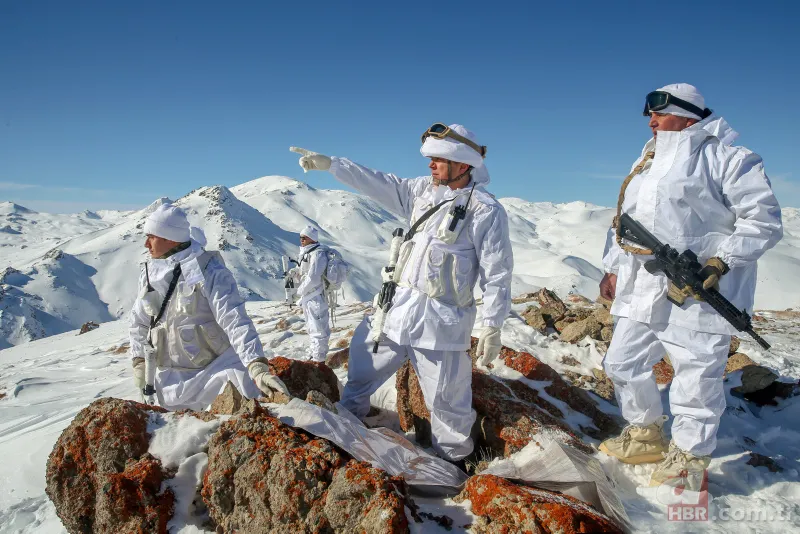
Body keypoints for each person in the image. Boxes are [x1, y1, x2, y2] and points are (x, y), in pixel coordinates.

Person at [290, 123, 513, 463]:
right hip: (395, 313)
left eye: (438, 159)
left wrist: (492, 325)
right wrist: (333, 165)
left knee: (447, 404)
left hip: (441, 326)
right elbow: (378, 182)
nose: (430, 165)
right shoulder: (420, 191)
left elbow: (497, 272)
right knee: (361, 372)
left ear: (462, 164)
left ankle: (454, 466)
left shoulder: (485, 210)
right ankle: (347, 435)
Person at [598, 84, 783, 487]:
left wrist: (722, 261)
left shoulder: (728, 159)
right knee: (622, 362)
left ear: (687, 116)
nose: (651, 122)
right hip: (640, 286)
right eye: (650, 115)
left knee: (695, 376)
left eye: (659, 114)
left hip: (698, 291)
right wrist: (612, 268)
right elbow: (624, 220)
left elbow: (763, 220)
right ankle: (645, 434)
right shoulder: (646, 160)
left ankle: (689, 459)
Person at [129, 203, 289, 411]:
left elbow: (234, 319)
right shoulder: (149, 274)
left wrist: (256, 365)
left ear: (170, 238)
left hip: (217, 373)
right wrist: (139, 360)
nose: (146, 244)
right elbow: (140, 321)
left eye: (151, 237)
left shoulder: (209, 270)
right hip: (168, 382)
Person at [295, 225, 331, 362]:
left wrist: (300, 290)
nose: (302, 239)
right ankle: (315, 353)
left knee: (318, 328)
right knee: (312, 326)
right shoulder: (308, 252)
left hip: (316, 296)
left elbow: (314, 277)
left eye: (305, 237)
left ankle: (319, 359)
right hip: (309, 296)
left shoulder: (318, 254)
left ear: (312, 238)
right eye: (301, 237)